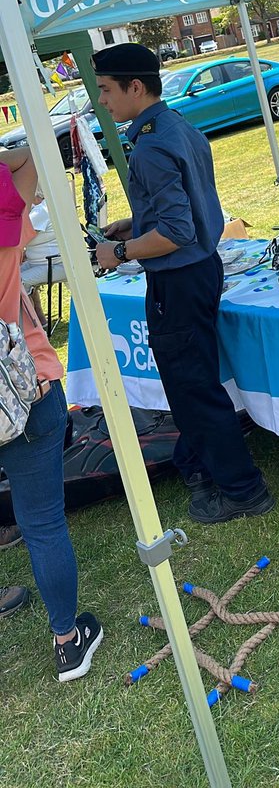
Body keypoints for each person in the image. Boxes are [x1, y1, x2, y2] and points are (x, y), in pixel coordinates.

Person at [92, 42, 273, 524]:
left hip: (179, 278)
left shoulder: (151, 144)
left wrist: (120, 252)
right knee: (193, 381)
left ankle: (242, 488)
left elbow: (176, 232)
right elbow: (185, 206)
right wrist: (134, 223)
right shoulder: (177, 127)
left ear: (135, 86)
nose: (102, 101)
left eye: (107, 90)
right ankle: (201, 467)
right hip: (200, 270)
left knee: (193, 388)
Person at [0, 149, 103, 678]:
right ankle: (67, 638)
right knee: (42, 523)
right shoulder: (2, 215)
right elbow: (27, 164)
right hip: (25, 388)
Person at [20, 189, 63, 329]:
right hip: (40, 263)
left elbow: (19, 237)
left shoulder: (40, 212)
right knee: (12, 276)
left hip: (55, 265)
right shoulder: (42, 208)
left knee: (18, 282)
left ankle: (31, 327)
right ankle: (39, 320)